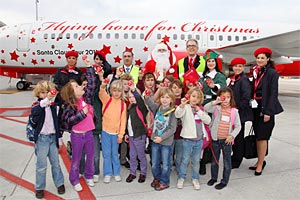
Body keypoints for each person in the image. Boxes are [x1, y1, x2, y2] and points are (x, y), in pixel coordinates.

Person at [60, 58, 97, 191]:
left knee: (91, 156)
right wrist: (82, 113)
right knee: (76, 160)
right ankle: (74, 179)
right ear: (72, 93)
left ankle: (89, 175)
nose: (79, 86)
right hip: (77, 136)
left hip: (89, 134)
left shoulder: (86, 98)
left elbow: (92, 84)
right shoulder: (70, 105)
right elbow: (68, 120)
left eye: (78, 85)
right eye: (76, 86)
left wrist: (89, 67)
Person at [249, 47, 283, 176]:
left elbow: (273, 94)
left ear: (268, 59)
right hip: (256, 108)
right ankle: (260, 160)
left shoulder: (272, 73)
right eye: (258, 58)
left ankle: (260, 163)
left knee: (263, 137)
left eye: (262, 58)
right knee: (258, 136)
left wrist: (268, 112)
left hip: (266, 108)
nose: (259, 60)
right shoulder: (255, 71)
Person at [79, 50, 112, 183]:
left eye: (100, 59)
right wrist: (90, 70)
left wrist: (101, 78)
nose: (98, 61)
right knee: (82, 151)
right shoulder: (89, 78)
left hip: (99, 119)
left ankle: (95, 171)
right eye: (96, 59)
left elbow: (108, 94)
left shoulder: (105, 78)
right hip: (86, 118)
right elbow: (90, 86)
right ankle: (82, 171)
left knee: (96, 153)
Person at [31, 81, 65, 199]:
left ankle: (59, 183)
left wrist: (59, 138)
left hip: (52, 137)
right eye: (42, 92)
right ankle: (39, 187)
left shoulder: (53, 106)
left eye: (48, 92)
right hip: (42, 139)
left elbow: (56, 123)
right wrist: (47, 99)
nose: (45, 95)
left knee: (56, 163)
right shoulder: (37, 105)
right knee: (41, 165)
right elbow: (35, 112)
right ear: (38, 94)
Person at [204, 87, 241, 190]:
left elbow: (238, 126)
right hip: (216, 139)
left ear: (231, 98)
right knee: (214, 160)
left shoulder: (234, 111)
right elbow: (206, 108)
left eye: (228, 97)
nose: (226, 99)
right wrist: (216, 102)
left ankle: (224, 181)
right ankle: (214, 178)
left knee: (227, 162)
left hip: (226, 141)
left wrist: (232, 135)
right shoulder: (216, 108)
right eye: (224, 97)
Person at [175, 87, 211, 190]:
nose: (195, 99)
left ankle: (195, 178)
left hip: (199, 140)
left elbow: (208, 120)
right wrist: (182, 105)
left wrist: (199, 111)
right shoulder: (185, 107)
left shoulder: (201, 109)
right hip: (187, 140)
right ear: (189, 96)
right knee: (185, 159)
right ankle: (181, 177)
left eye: (198, 97)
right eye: (193, 96)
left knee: (196, 160)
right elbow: (178, 114)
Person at [199, 51, 226, 175]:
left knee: (212, 132)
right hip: (202, 105)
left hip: (213, 106)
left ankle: (211, 157)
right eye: (208, 61)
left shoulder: (219, 76)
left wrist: (213, 86)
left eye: (212, 61)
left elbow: (222, 89)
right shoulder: (202, 76)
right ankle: (202, 161)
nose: (210, 63)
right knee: (203, 133)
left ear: (216, 63)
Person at [144, 87, 177, 191]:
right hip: (155, 141)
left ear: (172, 99)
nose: (165, 99)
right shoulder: (157, 108)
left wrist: (161, 138)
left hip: (166, 142)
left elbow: (172, 129)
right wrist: (146, 95)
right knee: (154, 162)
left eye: (167, 97)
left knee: (166, 164)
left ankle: (164, 181)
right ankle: (157, 178)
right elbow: (149, 103)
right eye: (162, 97)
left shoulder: (173, 111)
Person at [99, 79, 127, 183]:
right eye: (114, 90)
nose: (116, 93)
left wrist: (121, 135)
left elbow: (123, 121)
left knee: (115, 154)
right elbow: (101, 93)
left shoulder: (123, 105)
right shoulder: (107, 100)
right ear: (110, 90)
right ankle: (107, 173)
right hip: (105, 132)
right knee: (106, 154)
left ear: (122, 92)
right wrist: (103, 86)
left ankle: (116, 172)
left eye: (119, 91)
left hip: (116, 134)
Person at [228, 57, 253, 169]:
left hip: (239, 113)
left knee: (238, 137)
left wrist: (237, 110)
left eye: (240, 66)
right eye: (235, 66)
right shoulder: (233, 79)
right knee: (234, 135)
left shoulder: (244, 80)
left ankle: (237, 159)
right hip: (232, 112)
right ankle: (235, 156)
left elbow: (246, 97)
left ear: (243, 67)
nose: (237, 68)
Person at [125, 83, 148, 183]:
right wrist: (126, 133)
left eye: (133, 96)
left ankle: (143, 173)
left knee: (141, 156)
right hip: (131, 136)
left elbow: (140, 101)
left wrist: (134, 90)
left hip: (139, 136)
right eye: (130, 97)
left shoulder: (141, 107)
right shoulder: (130, 108)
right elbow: (128, 122)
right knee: (132, 156)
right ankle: (132, 172)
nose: (132, 98)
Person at [169, 79, 184, 173]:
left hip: (181, 133)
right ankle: (168, 168)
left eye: (179, 87)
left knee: (179, 155)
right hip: (170, 134)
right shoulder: (169, 101)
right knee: (169, 154)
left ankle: (179, 168)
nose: (177, 90)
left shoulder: (185, 102)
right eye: (174, 88)